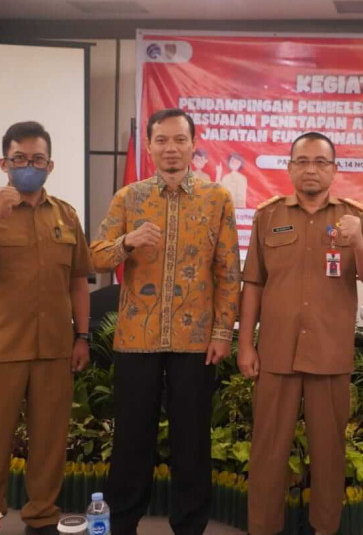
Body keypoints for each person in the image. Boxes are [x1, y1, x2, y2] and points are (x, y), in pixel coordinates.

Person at [90, 108, 241, 535]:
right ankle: (123, 523)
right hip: (136, 338)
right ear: (150, 146)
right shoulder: (129, 197)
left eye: (179, 140)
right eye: (162, 140)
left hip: (196, 341)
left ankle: (190, 526)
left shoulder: (217, 198)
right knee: (131, 437)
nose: (171, 148)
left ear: (193, 145)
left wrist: (222, 333)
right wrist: (127, 241)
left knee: (191, 440)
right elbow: (95, 257)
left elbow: (228, 271)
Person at [238, 132, 363, 535]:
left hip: (329, 353)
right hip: (276, 353)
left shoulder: (356, 217)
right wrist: (245, 344)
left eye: (321, 162)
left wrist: (358, 240)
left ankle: (325, 528)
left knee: (329, 453)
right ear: (289, 168)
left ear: (334, 170)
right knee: (268, 450)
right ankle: (263, 528)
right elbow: (253, 283)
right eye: (302, 161)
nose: (311, 170)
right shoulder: (268, 216)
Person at [0, 121, 92, 535]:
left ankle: (42, 517)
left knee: (49, 442)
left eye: (37, 159)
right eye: (19, 159)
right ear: (4, 164)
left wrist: (82, 336)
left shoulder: (66, 215)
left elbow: (78, 281)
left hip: (54, 349)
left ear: (50, 165)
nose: (29, 166)